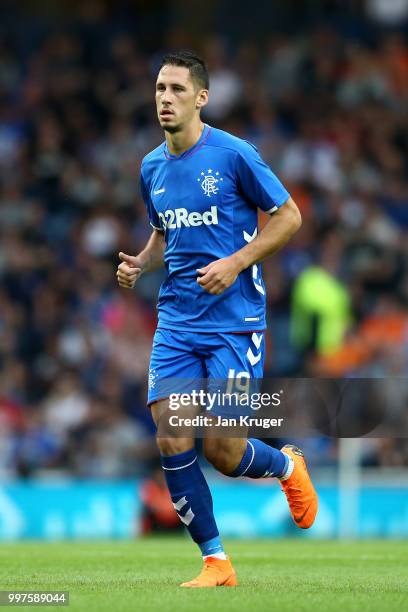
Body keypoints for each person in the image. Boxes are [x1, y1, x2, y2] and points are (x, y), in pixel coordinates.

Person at [116, 50, 318, 587]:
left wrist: (235, 261)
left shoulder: (233, 155)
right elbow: (166, 229)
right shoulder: (150, 167)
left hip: (235, 322)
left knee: (225, 453)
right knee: (171, 433)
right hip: (178, 322)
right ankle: (215, 561)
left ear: (201, 97)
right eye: (159, 88)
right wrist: (141, 261)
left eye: (177, 89)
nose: (165, 98)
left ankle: (285, 466)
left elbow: (289, 216)